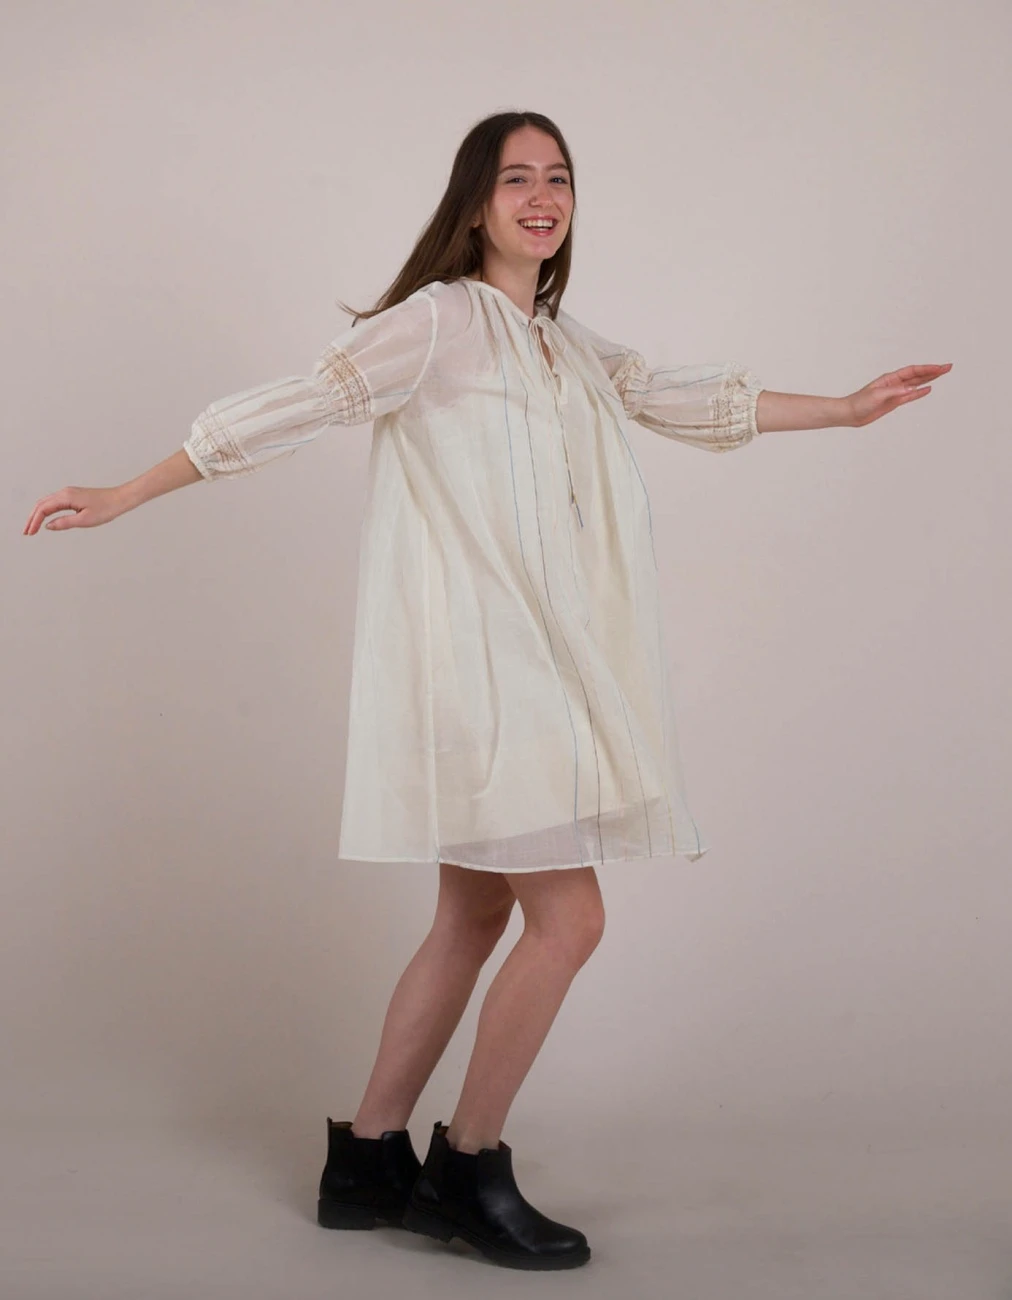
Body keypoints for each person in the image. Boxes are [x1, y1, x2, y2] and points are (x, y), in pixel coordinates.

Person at [23, 109, 951, 1271]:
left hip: (531, 671)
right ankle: (467, 1165)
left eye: (557, 177)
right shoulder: (439, 320)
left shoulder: (556, 340)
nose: (542, 196)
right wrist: (125, 490)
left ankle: (366, 1161)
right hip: (482, 678)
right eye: (516, 178)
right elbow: (299, 401)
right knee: (572, 920)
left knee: (471, 917)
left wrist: (849, 409)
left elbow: (674, 394)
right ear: (474, 204)